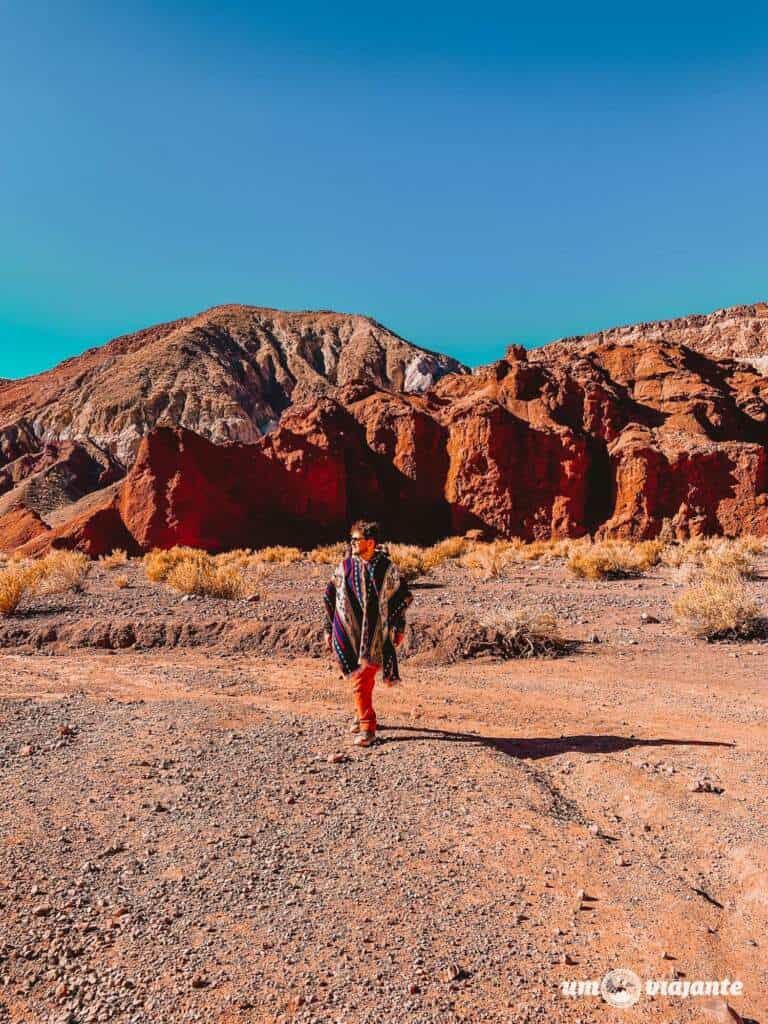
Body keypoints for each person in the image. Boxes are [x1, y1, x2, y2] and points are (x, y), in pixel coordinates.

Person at [323, 521, 413, 747]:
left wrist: (399, 628)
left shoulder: (387, 568)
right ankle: (361, 711)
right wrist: (328, 628)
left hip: (377, 634)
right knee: (361, 677)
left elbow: (400, 598)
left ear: (370, 543)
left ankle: (367, 727)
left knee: (362, 677)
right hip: (350, 631)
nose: (352, 543)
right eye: (351, 539)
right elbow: (330, 597)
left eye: (356, 539)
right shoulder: (345, 567)